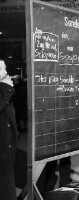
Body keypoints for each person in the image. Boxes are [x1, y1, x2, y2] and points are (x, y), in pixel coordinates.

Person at [0, 60, 18, 200]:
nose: (6, 73)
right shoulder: (5, 90)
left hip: (6, 151)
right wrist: (7, 88)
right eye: (2, 69)